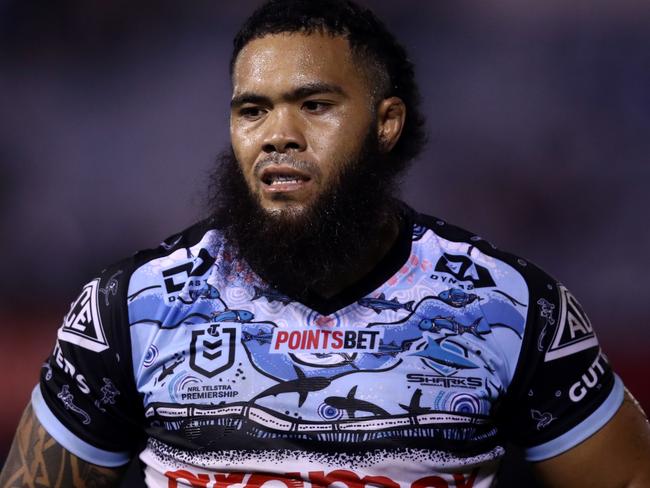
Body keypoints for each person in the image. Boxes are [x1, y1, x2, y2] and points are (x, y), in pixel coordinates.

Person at [2, 0, 650, 486]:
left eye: (314, 105)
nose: (277, 134)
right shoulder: (131, 306)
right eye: (252, 109)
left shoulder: (508, 306)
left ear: (386, 123)